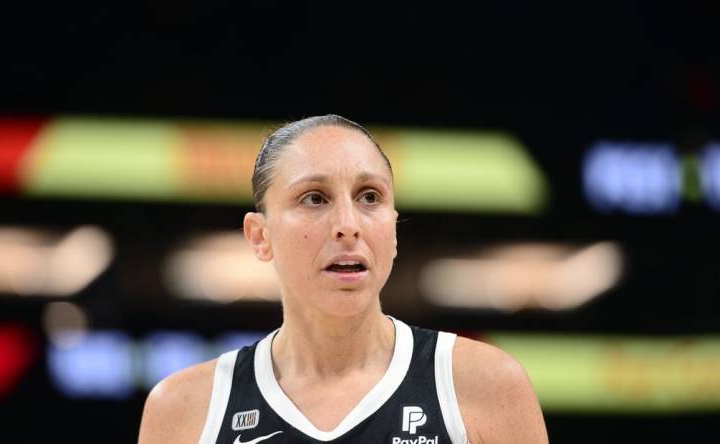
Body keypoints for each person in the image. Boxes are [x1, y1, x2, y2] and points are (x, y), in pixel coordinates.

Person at [138, 115, 548, 444]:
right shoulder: (184, 409)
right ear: (260, 237)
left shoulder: (485, 384)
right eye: (314, 198)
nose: (347, 225)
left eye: (369, 196)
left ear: (393, 230)